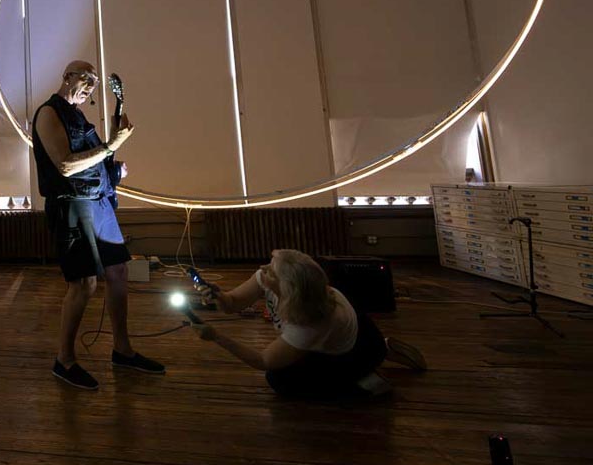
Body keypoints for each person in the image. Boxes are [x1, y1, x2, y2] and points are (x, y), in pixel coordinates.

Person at [33, 60, 164, 390]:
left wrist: (113, 169)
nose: (91, 85)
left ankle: (122, 350)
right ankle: (64, 360)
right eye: (85, 77)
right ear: (67, 77)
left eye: (94, 80)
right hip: (72, 206)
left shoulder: (79, 117)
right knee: (84, 284)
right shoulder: (48, 113)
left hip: (99, 203)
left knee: (118, 271)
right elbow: (65, 165)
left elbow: (91, 163)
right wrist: (110, 145)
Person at [191, 249, 426, 398]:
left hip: (351, 354)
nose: (263, 269)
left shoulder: (310, 323)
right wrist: (218, 295)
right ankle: (383, 347)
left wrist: (217, 337)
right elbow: (233, 303)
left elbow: (263, 361)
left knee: (280, 380)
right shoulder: (271, 280)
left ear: (287, 288)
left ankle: (366, 382)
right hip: (350, 330)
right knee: (302, 355)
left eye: (271, 270)